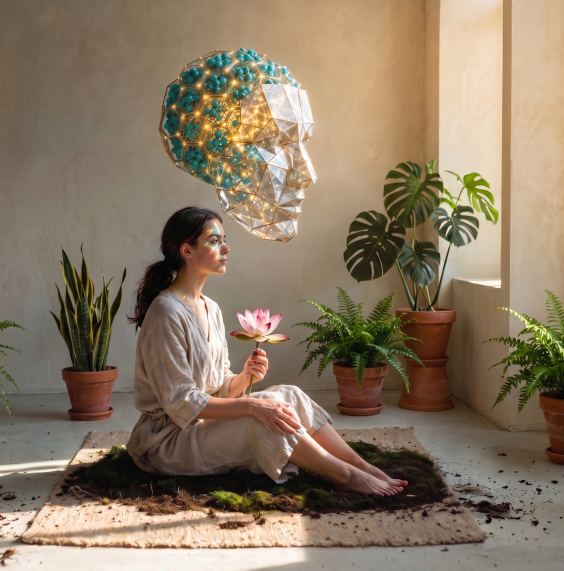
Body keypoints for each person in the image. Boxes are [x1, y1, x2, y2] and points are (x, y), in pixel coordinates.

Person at [125, 206, 407, 496]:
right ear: (187, 250)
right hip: (166, 442)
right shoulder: (165, 311)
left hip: (201, 425)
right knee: (260, 419)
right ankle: (346, 476)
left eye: (224, 238)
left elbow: (217, 388)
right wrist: (253, 405)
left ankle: (360, 465)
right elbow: (182, 403)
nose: (226, 247)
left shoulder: (212, 308)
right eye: (214, 240)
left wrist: (245, 378)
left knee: (288, 395)